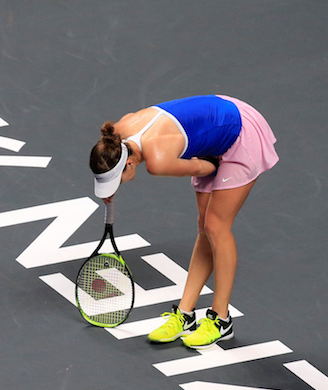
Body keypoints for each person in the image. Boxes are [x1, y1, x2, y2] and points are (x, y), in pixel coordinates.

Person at [89, 94, 278, 349]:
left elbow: (204, 169)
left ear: (130, 163)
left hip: (240, 131)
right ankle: (185, 315)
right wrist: (111, 187)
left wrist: (220, 166)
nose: (116, 186)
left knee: (216, 226)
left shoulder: (157, 161)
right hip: (212, 123)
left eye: (115, 181)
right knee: (204, 227)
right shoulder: (118, 132)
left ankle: (222, 320)